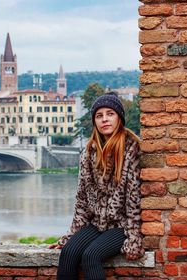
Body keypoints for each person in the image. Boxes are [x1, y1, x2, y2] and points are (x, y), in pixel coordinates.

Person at [48, 92, 144, 280]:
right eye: (99, 116)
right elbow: (82, 201)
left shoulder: (132, 149)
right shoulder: (88, 153)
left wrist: (134, 238)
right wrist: (72, 236)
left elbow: (135, 201)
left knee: (91, 256)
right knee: (68, 253)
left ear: (119, 118)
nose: (105, 119)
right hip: (97, 223)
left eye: (110, 114)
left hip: (121, 225)